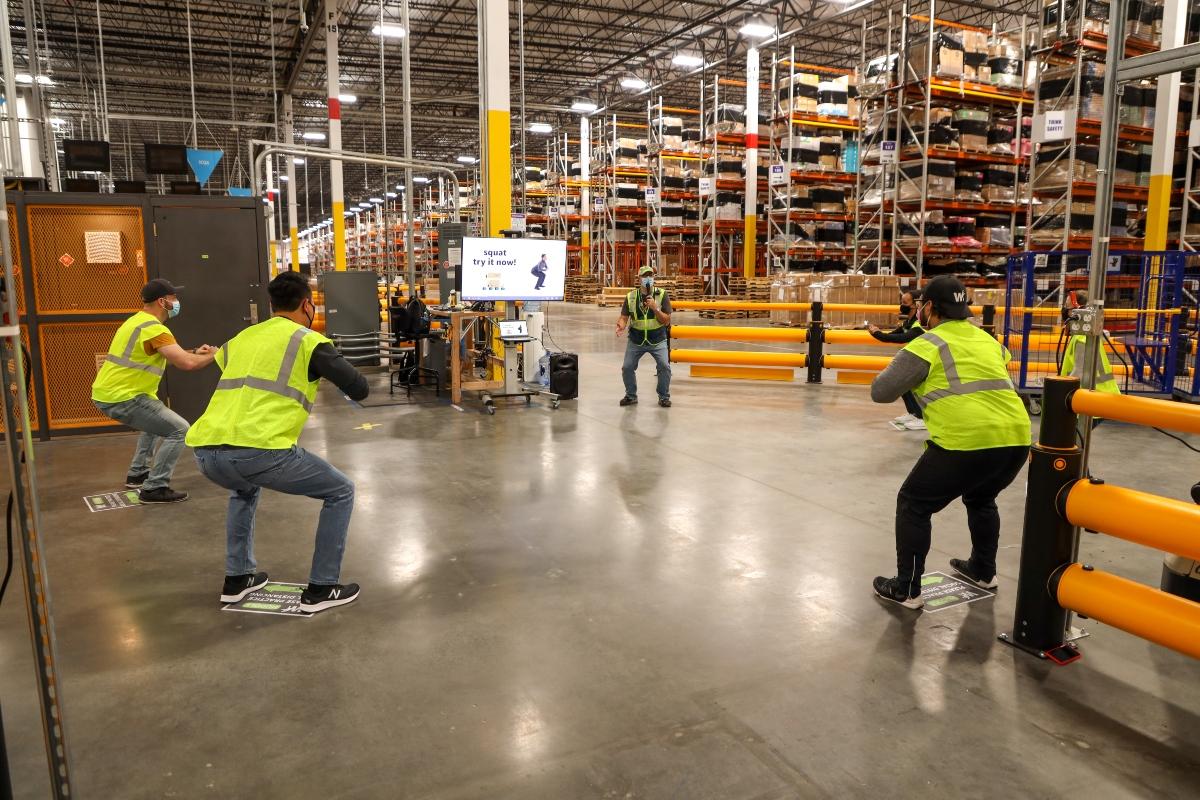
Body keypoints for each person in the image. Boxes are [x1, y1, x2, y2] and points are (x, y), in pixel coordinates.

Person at [186, 272, 370, 613]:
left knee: (243, 489)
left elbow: (225, 359)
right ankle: (321, 588)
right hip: (262, 452)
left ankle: (237, 580)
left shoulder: (243, 337)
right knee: (340, 491)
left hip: (207, 454)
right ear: (307, 304)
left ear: (272, 306)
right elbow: (359, 388)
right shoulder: (308, 341)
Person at [868, 275, 1032, 609]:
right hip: (1016, 438)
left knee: (914, 504)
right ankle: (983, 570)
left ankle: (907, 589)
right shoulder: (988, 340)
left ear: (928, 307)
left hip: (966, 441)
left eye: (920, 307)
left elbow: (881, 392)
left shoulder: (927, 344)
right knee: (981, 498)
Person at [91, 278, 216, 504]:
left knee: (155, 423)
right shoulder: (155, 330)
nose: (177, 302)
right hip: (124, 396)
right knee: (179, 430)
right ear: (163, 301)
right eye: (174, 298)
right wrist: (214, 355)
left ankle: (138, 473)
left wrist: (196, 350)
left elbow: (166, 354)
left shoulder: (137, 322)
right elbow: (186, 364)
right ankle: (155, 487)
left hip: (112, 393)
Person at [868, 288, 925, 430]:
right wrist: (877, 333)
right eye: (901, 302)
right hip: (912, 358)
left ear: (915, 305)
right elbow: (893, 335)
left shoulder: (919, 324)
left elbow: (901, 338)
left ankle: (922, 417)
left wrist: (878, 334)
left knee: (915, 388)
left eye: (905, 302)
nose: (902, 305)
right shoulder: (908, 322)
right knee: (903, 385)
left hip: (922, 359)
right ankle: (913, 413)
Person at [616, 265, 673, 408]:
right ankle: (631, 395)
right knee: (627, 367)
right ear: (639, 278)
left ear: (654, 278)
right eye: (645, 276)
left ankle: (664, 396)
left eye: (651, 276)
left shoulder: (661, 294)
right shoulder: (630, 297)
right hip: (636, 339)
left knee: (664, 366)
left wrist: (655, 308)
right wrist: (621, 325)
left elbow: (666, 320)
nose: (648, 279)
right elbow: (623, 317)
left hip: (657, 339)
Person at [1060, 290, 1120, 394]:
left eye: (1067, 306)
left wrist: (1063, 392)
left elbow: (1078, 373)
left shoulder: (1081, 339)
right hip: (1103, 395)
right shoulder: (1089, 334)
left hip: (1097, 398)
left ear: (1079, 312)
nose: (1065, 310)